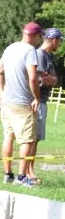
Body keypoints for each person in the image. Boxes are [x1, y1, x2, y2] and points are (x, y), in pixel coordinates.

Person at [0, 22, 42, 187]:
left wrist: (2, 94)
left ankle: (8, 174)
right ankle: (22, 178)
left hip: (7, 103)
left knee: (8, 137)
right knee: (27, 141)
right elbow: (33, 77)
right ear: (35, 36)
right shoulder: (30, 51)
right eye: (39, 37)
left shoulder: (10, 48)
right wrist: (36, 97)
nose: (39, 40)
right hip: (23, 104)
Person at [35, 27, 61, 169]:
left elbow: (54, 79)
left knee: (37, 138)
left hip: (44, 100)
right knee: (33, 138)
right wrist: (50, 79)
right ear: (54, 40)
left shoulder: (49, 56)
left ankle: (30, 171)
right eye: (60, 41)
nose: (60, 44)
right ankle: (27, 173)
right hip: (38, 100)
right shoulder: (39, 55)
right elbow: (41, 79)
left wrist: (51, 78)